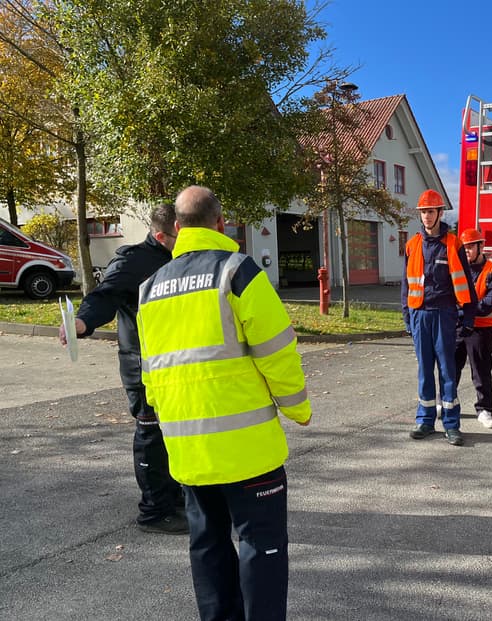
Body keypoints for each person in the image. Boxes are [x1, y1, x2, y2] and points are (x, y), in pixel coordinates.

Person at [136, 186, 311, 621]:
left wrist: (166, 419)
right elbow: (276, 349)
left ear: (176, 228)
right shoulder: (238, 271)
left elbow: (151, 373)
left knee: (207, 544)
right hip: (248, 451)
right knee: (261, 547)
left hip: (189, 449)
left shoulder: (149, 290)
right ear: (221, 222)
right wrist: (297, 408)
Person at [59, 203, 186, 534]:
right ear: (162, 235)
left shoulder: (180, 258)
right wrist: (83, 321)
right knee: (151, 437)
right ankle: (154, 512)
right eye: (180, 234)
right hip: (141, 365)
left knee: (172, 436)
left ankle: (174, 499)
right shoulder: (134, 260)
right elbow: (105, 294)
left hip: (176, 365)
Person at [402, 189, 478, 446]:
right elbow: (406, 284)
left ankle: (451, 424)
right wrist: (407, 316)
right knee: (424, 371)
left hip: (445, 314)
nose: (426, 216)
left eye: (431, 211)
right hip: (420, 313)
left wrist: (468, 317)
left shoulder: (453, 243)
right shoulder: (412, 245)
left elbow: (467, 282)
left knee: (447, 371)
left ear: (440, 213)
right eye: (423, 212)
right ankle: (425, 420)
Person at [455, 228, 492, 429]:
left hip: (481, 330)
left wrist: (464, 311)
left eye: (470, 247)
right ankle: (446, 403)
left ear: (480, 246)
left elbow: (488, 304)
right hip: (457, 328)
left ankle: (484, 410)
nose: (466, 251)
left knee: (481, 370)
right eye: (464, 248)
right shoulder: (457, 269)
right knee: (450, 368)